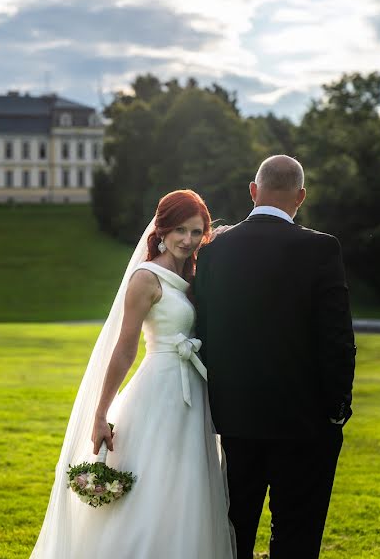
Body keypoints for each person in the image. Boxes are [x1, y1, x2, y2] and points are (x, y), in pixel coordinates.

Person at [31, 190, 235, 559]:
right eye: (179, 231)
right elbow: (125, 348)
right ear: (162, 230)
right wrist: (100, 413)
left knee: (187, 486)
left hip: (194, 391)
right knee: (152, 484)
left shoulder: (193, 273)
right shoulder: (146, 278)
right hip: (159, 391)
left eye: (196, 231)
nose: (187, 240)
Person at [194, 155, 356, 558]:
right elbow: (337, 339)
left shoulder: (214, 250)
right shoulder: (322, 249)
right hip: (307, 423)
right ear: (300, 196)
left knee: (235, 530)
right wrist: (338, 408)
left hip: (235, 420)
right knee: (297, 533)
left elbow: (205, 334)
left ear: (253, 190)